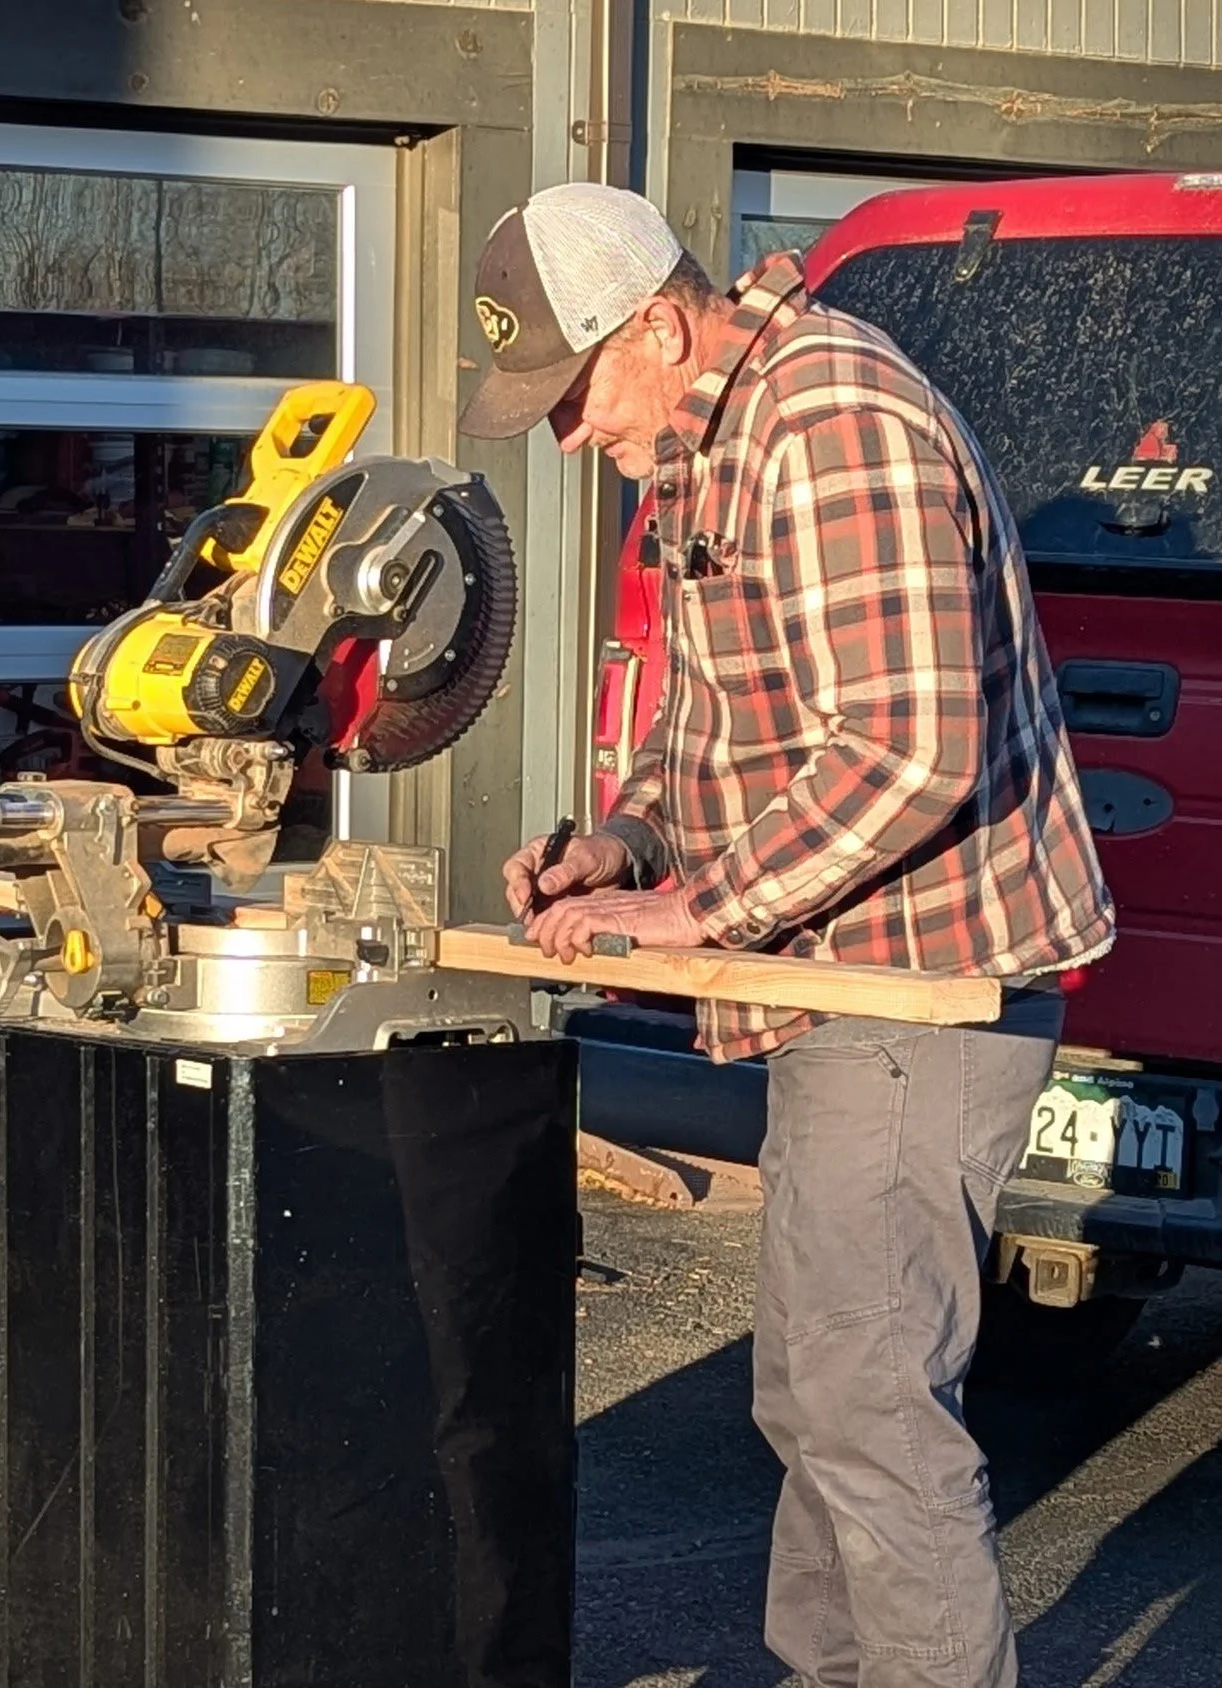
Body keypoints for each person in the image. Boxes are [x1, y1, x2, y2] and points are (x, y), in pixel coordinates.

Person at [460, 182, 1115, 1688]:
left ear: (657, 325)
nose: (566, 435)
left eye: (572, 393)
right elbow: (715, 738)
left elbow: (906, 753)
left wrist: (688, 907)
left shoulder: (827, 423)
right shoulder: (702, 445)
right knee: (816, 1395)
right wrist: (619, 845)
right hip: (835, 978)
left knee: (864, 1400)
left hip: (914, 986)